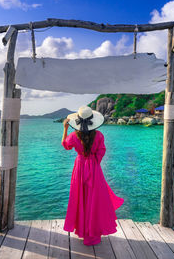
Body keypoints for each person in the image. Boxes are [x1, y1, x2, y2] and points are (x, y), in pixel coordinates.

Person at [61, 105, 124, 246]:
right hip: (94, 170)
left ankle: (83, 230)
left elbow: (65, 145)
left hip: (79, 169)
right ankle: (93, 232)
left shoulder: (74, 135)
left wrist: (65, 128)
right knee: (95, 200)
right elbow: (101, 151)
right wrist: (94, 162)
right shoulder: (99, 136)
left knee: (80, 198)